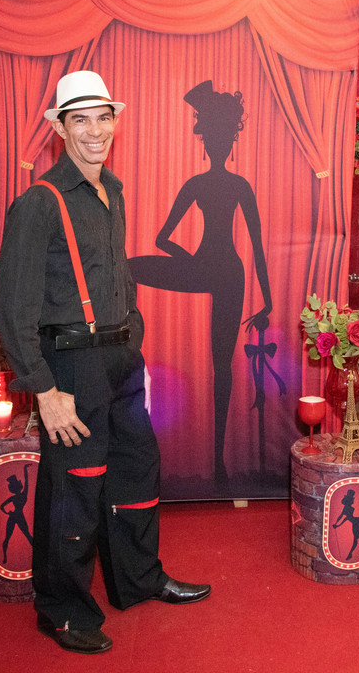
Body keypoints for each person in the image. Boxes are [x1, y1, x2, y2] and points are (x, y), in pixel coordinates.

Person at [0, 70, 210, 656]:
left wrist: (133, 338)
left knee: (137, 469)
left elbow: (116, 276)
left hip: (119, 359)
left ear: (116, 122)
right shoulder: (38, 203)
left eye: (103, 118)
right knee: (76, 486)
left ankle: (137, 580)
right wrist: (43, 389)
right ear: (60, 130)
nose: (95, 131)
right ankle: (62, 610)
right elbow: (12, 304)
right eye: (80, 120)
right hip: (71, 365)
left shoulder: (113, 190)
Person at [128, 80, 272, 484]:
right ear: (210, 142)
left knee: (221, 366)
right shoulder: (214, 184)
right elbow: (162, 239)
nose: (217, 144)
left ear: (220, 141)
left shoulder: (225, 185)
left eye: (219, 137)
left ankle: (218, 463)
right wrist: (191, 262)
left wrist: (267, 301)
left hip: (223, 272)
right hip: (216, 269)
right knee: (128, 267)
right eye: (213, 137)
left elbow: (257, 246)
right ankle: (126, 343)